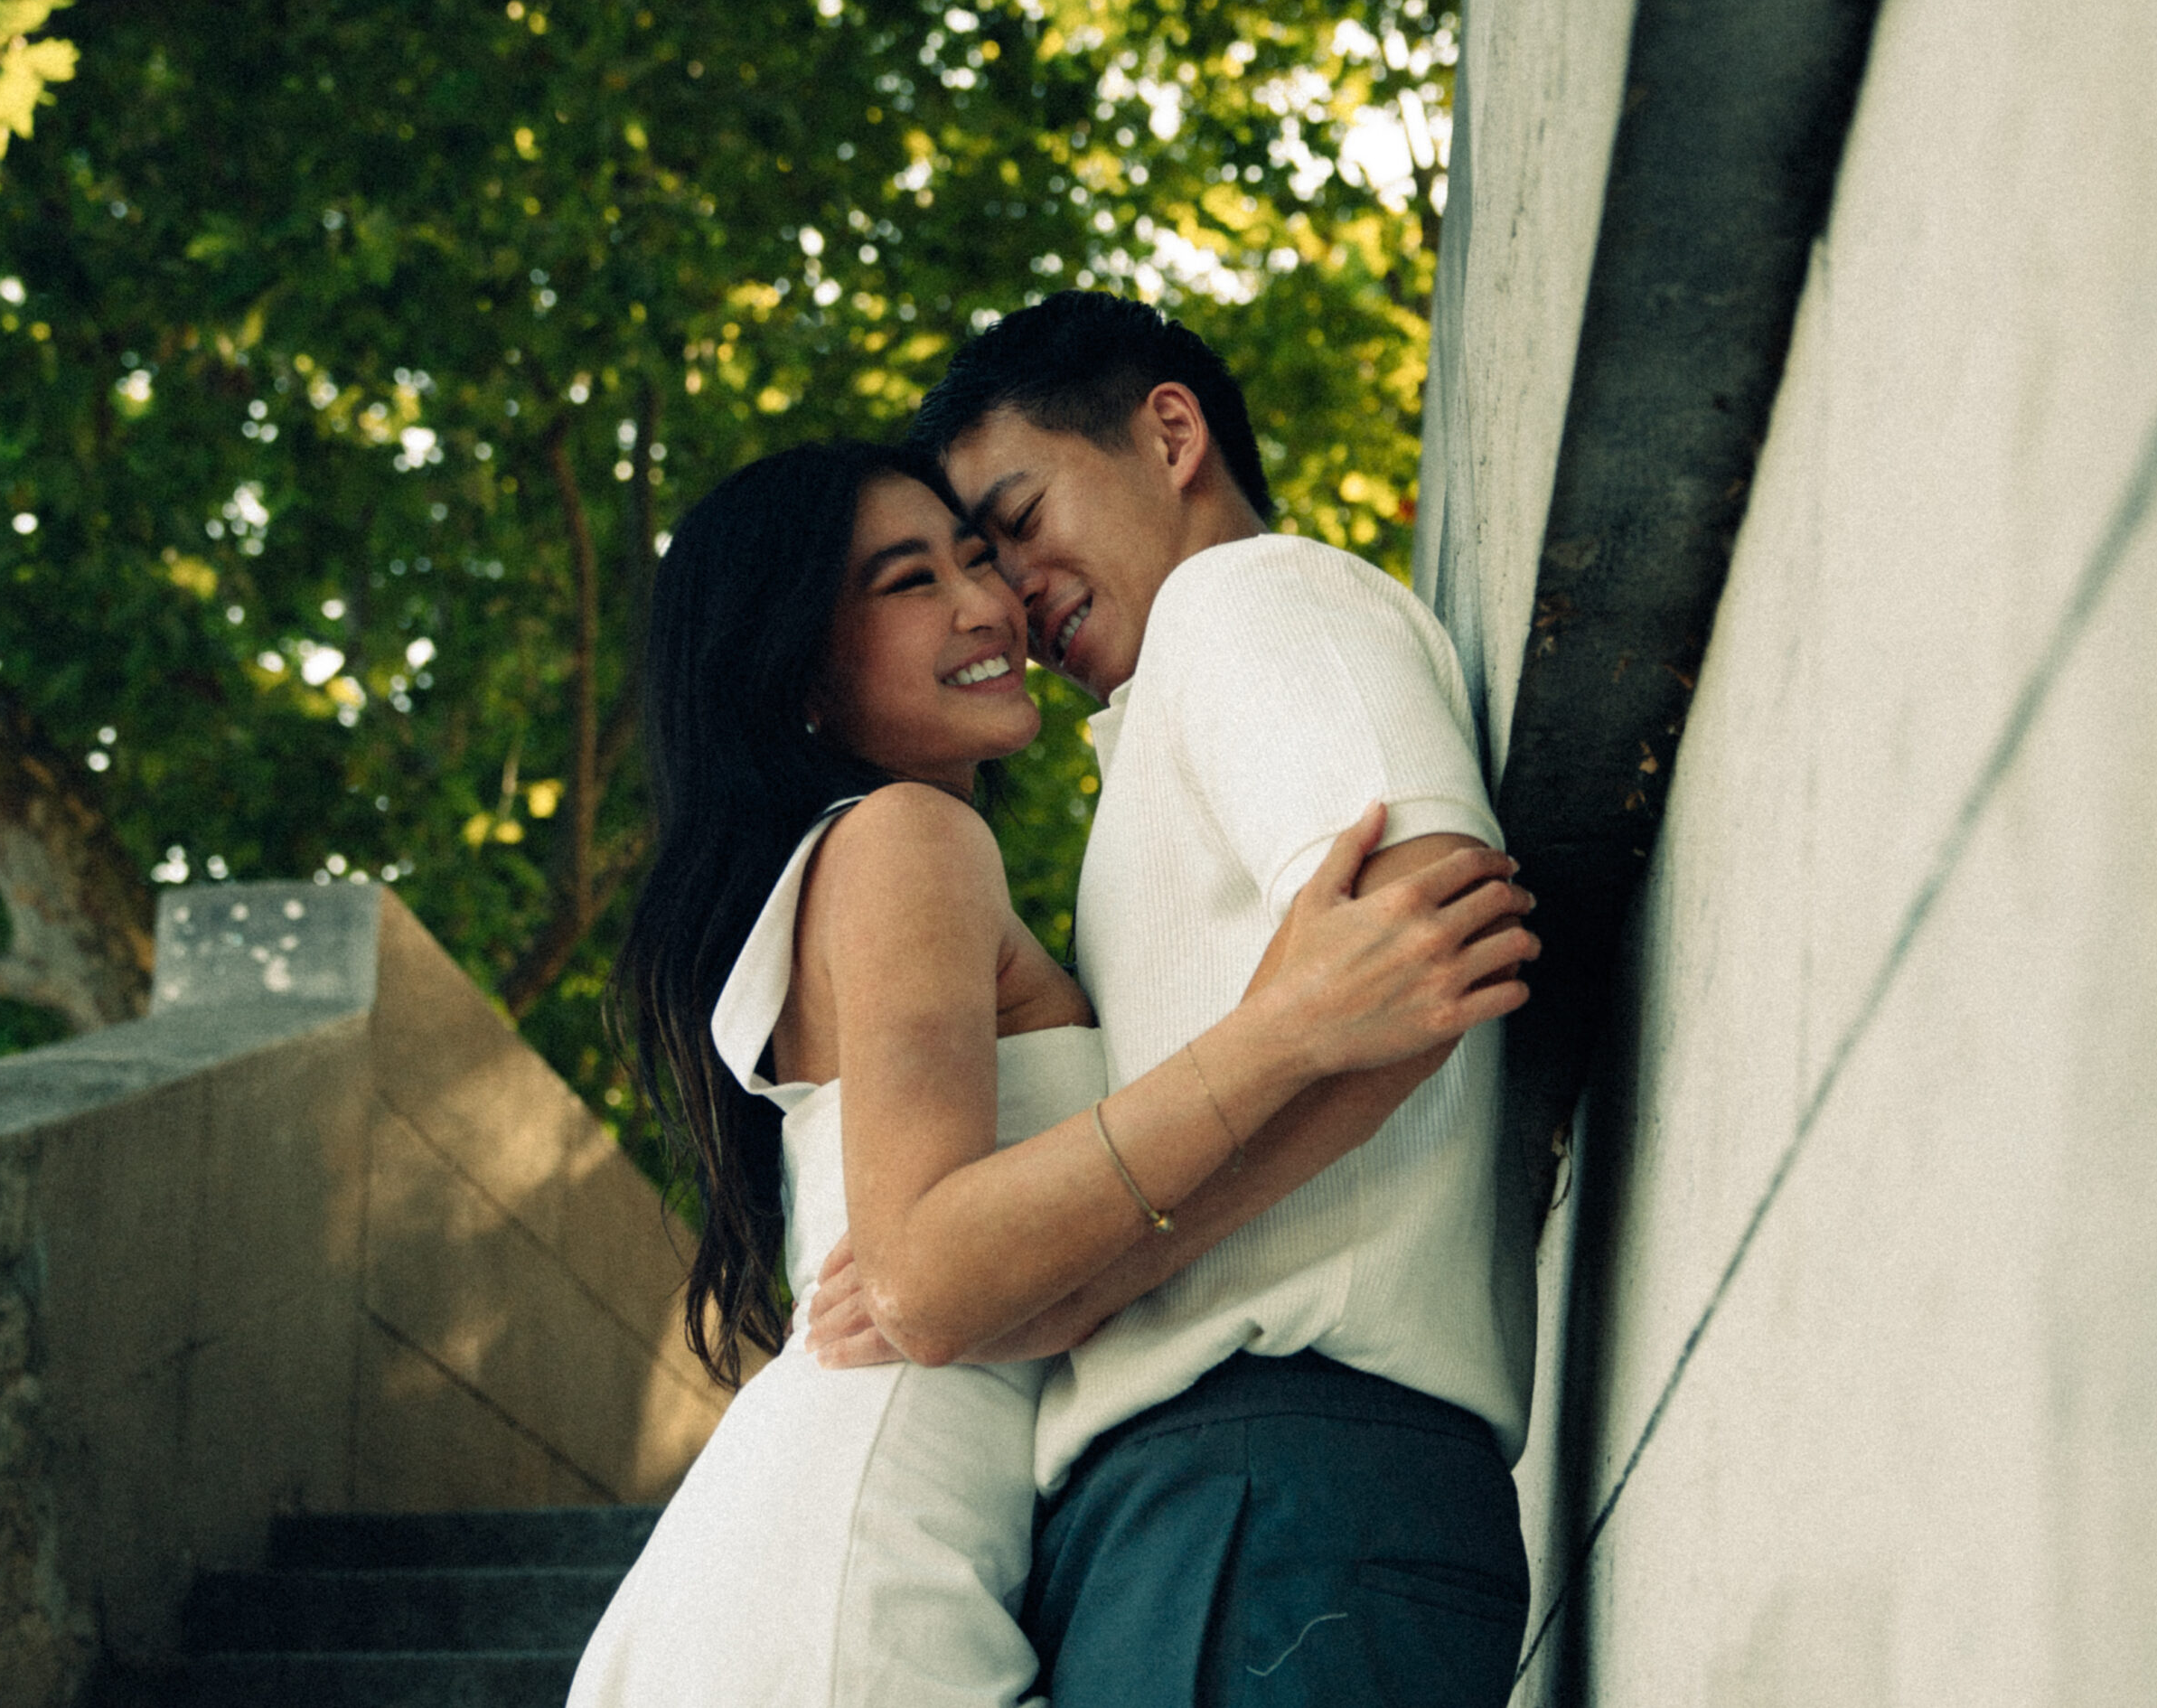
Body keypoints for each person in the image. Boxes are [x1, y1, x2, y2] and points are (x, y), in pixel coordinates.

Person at [567, 440, 1536, 1707]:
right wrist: (1283, 1026)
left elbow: (951, 1276)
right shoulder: (908, 835)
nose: (989, 602)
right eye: (910, 581)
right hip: (868, 1553)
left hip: (886, 1545)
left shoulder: (875, 866)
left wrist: (1059, 1291)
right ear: (801, 671)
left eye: (978, 556)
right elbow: (923, 1282)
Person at [870, 290, 1541, 1705]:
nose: (1009, 596)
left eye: (1019, 519)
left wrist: (1079, 1278)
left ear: (1170, 434)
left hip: (1272, 1479)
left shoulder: (1245, 598)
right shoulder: (1182, 691)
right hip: (1235, 1503)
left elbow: (1434, 944)